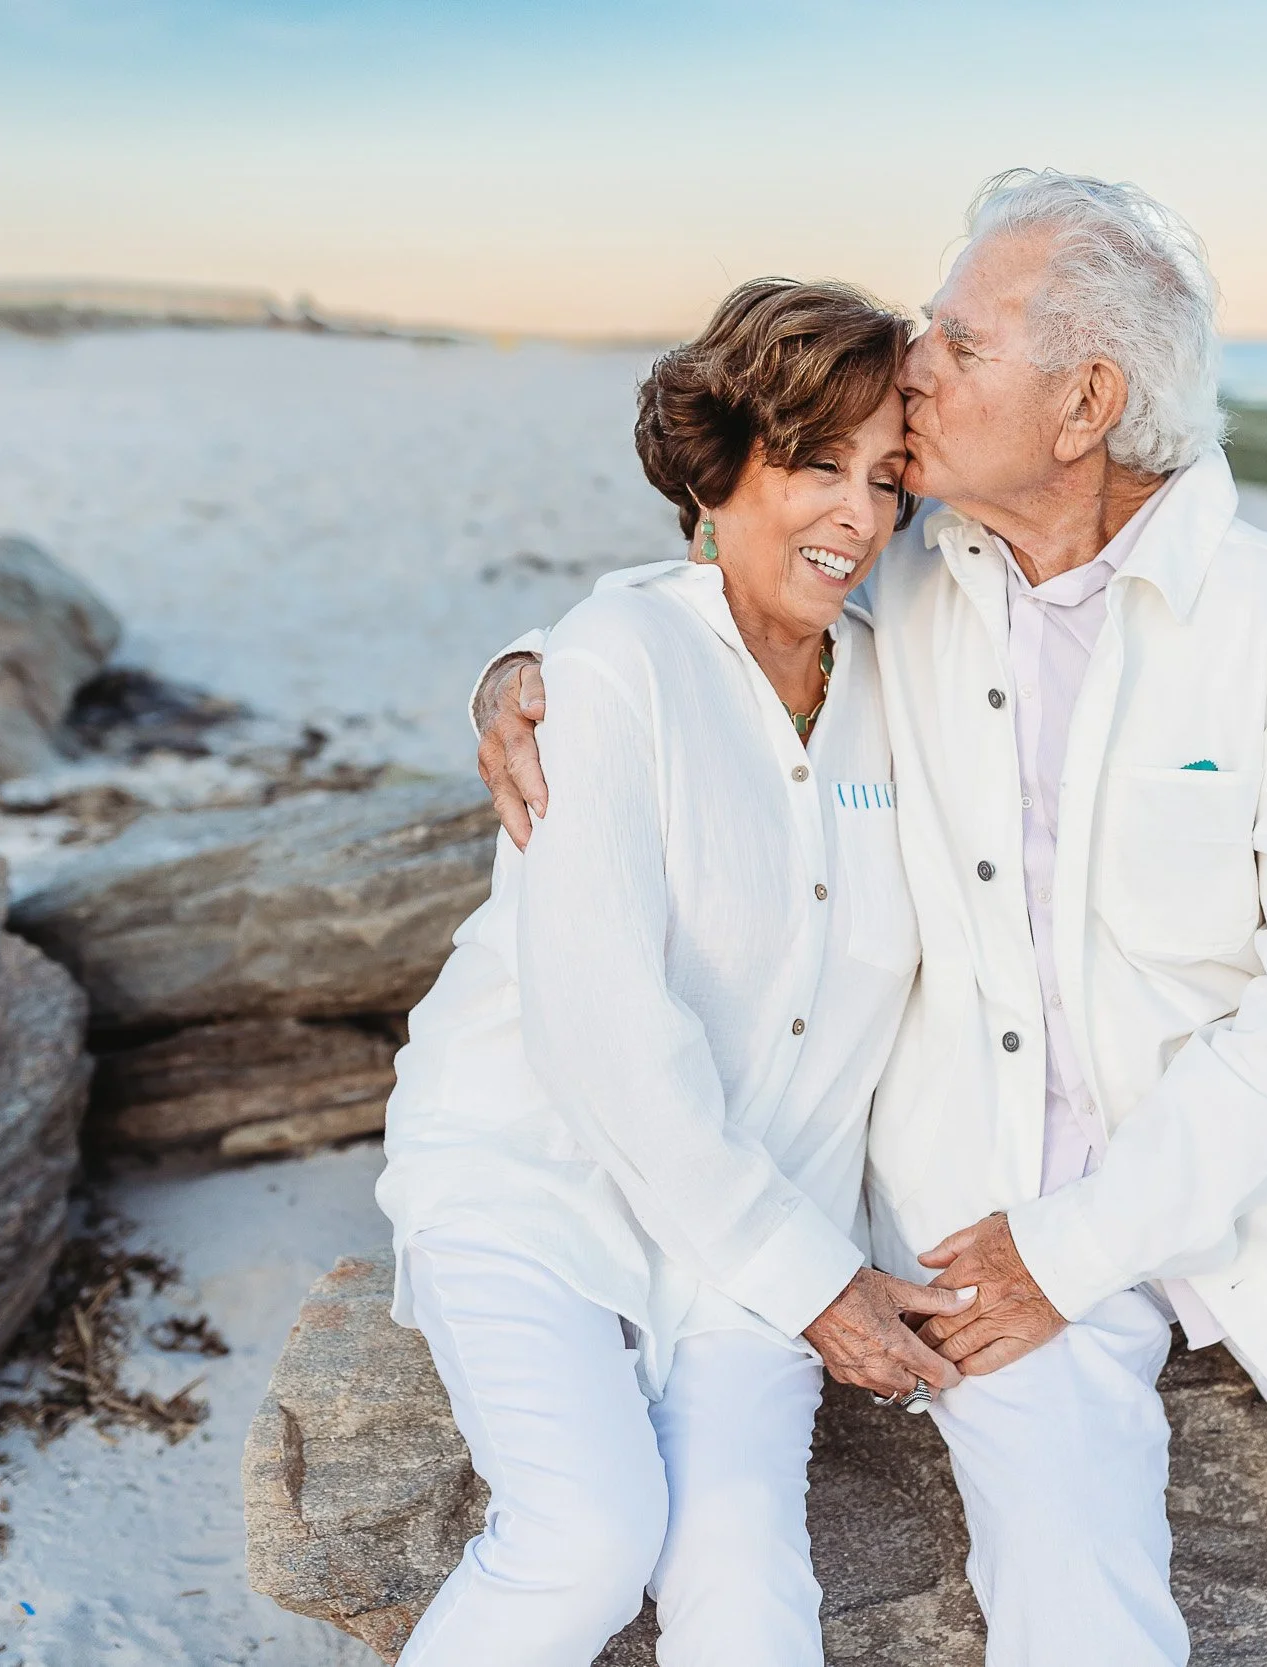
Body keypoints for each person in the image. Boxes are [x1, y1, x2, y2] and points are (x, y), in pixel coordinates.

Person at [474, 172, 1267, 1666]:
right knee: (1066, 1594)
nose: (914, 366)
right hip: (979, 1198)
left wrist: (1081, 1246)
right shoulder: (906, 564)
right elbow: (731, 574)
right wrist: (522, 671)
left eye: (959, 341)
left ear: (1085, 401)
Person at [377, 277, 971, 1667]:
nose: (856, 517)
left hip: (765, 1205)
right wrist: (822, 1287)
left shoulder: (910, 684)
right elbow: (601, 1036)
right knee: (587, 1538)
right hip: (538, 1172)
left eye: (889, 480)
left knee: (748, 1592)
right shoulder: (613, 664)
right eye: (815, 463)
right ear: (718, 472)